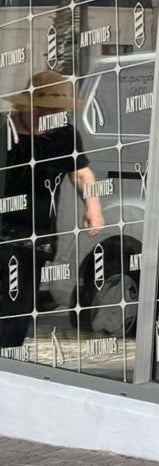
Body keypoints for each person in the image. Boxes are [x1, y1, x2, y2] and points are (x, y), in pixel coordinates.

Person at [0, 70, 104, 349]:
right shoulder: (4, 131)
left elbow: (82, 173)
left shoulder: (64, 136)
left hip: (35, 236)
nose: (56, 114)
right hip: (2, 230)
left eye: (60, 109)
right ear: (31, 105)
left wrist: (93, 207)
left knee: (18, 305)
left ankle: (8, 361)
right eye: (50, 108)